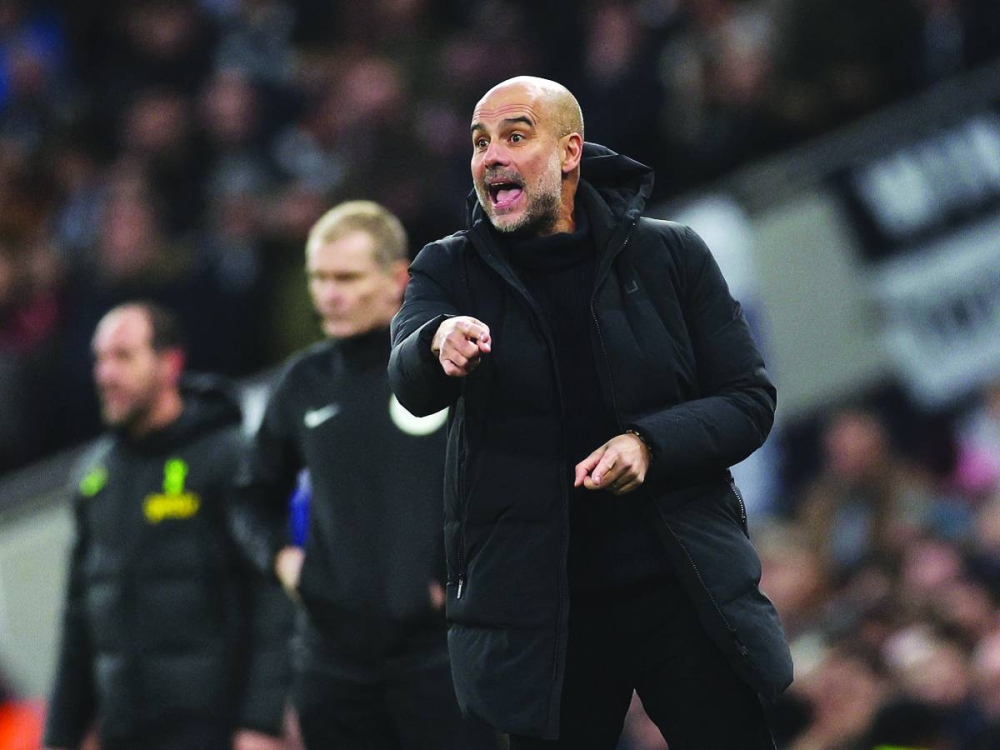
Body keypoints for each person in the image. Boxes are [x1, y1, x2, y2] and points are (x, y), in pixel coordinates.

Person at [388, 76, 793, 748]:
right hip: (540, 617)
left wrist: (648, 445)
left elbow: (748, 401)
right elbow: (410, 377)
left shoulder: (671, 254)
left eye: (516, 136)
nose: (492, 155)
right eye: (480, 142)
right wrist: (436, 342)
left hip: (680, 586)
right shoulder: (447, 270)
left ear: (570, 151)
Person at [230, 200, 496, 749]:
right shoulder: (303, 382)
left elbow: (502, 479)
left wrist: (456, 579)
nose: (328, 294)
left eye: (346, 278)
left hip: (440, 653)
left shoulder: (447, 366)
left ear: (397, 278)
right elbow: (250, 497)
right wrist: (285, 562)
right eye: (319, 278)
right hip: (332, 667)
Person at [43, 302, 292, 750]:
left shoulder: (228, 458)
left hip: (215, 730)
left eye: (123, 356)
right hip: (126, 732)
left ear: (169, 363)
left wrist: (261, 720)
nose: (105, 374)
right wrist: (59, 738)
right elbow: (78, 621)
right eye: (99, 359)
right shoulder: (94, 477)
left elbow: (270, 597)